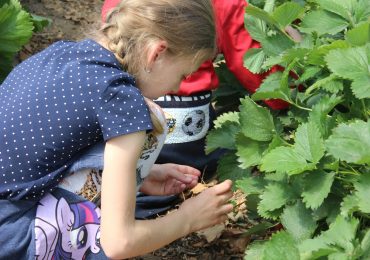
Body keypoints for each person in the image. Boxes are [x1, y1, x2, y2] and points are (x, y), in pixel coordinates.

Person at [0, 0, 234, 259]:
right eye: (183, 75)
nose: (179, 87)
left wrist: (142, 176)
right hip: (12, 235)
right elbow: (119, 242)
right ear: (156, 53)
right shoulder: (124, 103)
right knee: (153, 118)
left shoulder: (62, 53)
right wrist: (188, 218)